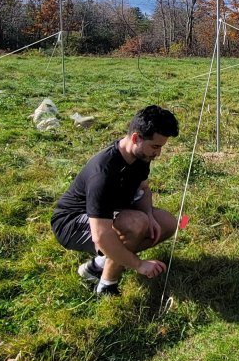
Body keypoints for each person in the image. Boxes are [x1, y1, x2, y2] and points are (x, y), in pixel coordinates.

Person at [51, 105, 179, 295]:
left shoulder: (140, 158)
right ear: (136, 138)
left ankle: (99, 264)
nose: (158, 153)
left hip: (109, 214)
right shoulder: (103, 173)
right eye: (155, 146)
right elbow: (100, 235)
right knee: (135, 224)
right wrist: (140, 265)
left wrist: (150, 215)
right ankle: (106, 286)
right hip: (71, 223)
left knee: (166, 223)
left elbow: (143, 189)